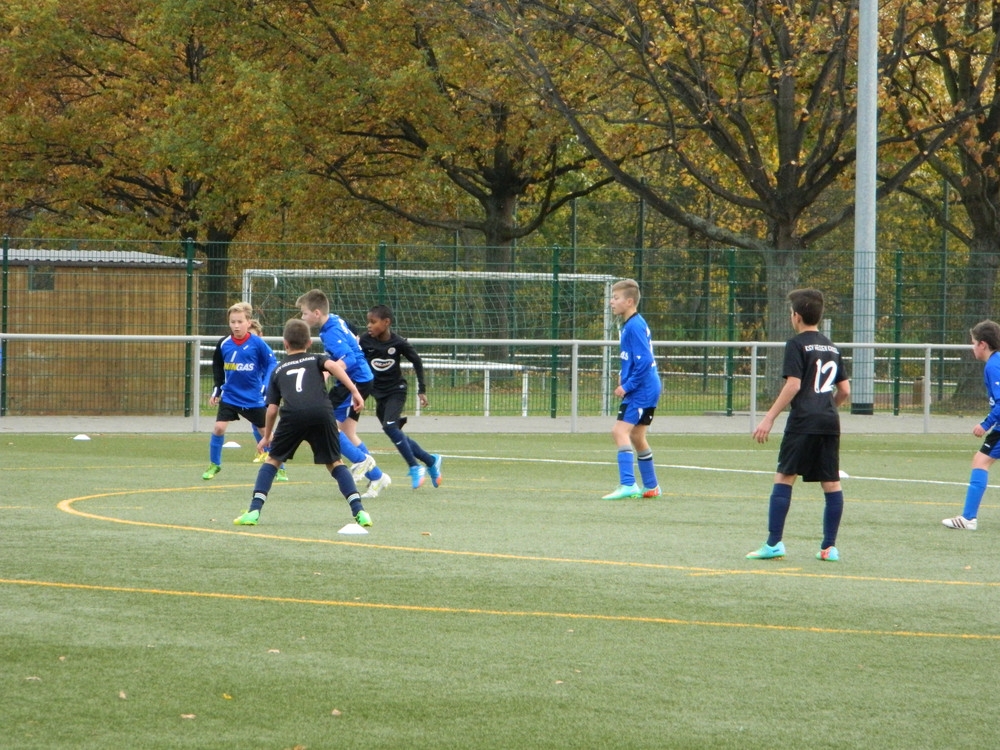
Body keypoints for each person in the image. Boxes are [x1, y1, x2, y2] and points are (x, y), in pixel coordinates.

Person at [233, 318, 372, 527]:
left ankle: (253, 511)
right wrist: (354, 391)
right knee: (335, 463)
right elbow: (333, 366)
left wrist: (267, 436)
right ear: (309, 343)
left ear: (285, 343)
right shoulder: (317, 359)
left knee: (272, 461)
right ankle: (360, 511)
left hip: (293, 416)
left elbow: (272, 410)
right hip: (322, 413)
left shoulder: (278, 370)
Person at [746, 288, 850, 562]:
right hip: (829, 421)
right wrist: (825, 408)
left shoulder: (796, 344)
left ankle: (773, 543)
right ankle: (829, 548)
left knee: (784, 477)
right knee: (831, 483)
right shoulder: (831, 346)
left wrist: (769, 417)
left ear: (797, 317)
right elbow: (845, 391)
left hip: (803, 420)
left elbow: (793, 385)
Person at [296, 289, 391, 497]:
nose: (302, 317)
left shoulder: (330, 333)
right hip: (358, 379)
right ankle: (377, 477)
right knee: (346, 432)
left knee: (325, 424)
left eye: (304, 313)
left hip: (355, 381)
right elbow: (350, 342)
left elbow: (350, 358)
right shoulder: (333, 320)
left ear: (317, 313)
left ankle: (361, 461)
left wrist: (329, 370)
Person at [359, 304, 442, 490]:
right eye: (368, 322)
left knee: (390, 426)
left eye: (373, 322)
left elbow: (417, 361)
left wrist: (422, 389)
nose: (369, 325)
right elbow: (356, 362)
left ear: (386, 322)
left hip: (396, 390)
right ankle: (431, 460)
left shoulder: (398, 343)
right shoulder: (365, 341)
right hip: (378, 394)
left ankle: (414, 467)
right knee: (394, 431)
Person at [203, 303, 286, 481]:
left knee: (266, 433)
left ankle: (280, 467)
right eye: (232, 322)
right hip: (230, 396)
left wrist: (265, 385)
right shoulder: (224, 343)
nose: (236, 326)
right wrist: (217, 390)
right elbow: (217, 367)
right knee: (219, 428)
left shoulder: (257, 343)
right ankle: (214, 464)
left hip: (252, 397)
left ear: (248, 322)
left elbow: (272, 363)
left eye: (240, 322)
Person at [601, 278, 662, 500]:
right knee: (636, 435)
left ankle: (628, 484)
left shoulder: (634, 326)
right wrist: (623, 373)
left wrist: (627, 385)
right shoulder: (631, 324)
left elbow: (645, 361)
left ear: (629, 302)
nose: (611, 302)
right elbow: (635, 358)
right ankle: (652, 486)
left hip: (642, 388)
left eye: (616, 298)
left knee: (619, 431)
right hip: (648, 386)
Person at [941, 320, 1000, 531]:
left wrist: (985, 424)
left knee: (980, 462)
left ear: (983, 344)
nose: (972, 347)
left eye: (974, 342)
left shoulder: (993, 365)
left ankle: (968, 518)